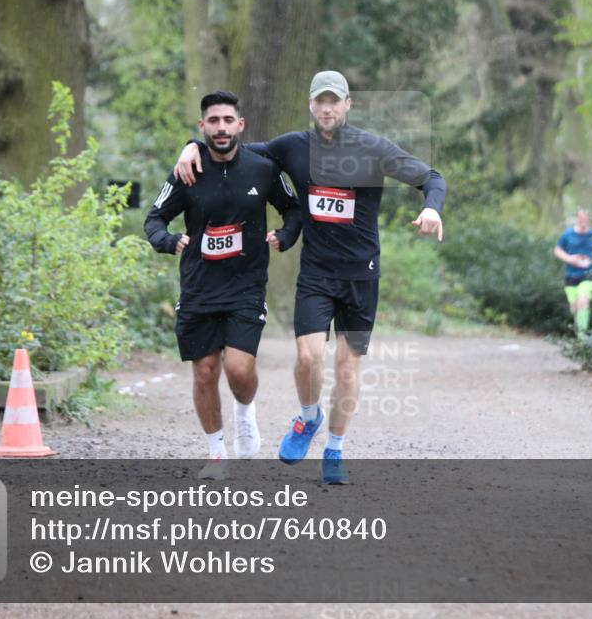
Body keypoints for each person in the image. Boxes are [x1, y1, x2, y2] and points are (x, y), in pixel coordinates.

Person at [174, 71, 446, 484]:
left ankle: (334, 451)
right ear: (310, 105)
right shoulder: (292, 147)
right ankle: (307, 418)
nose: (327, 108)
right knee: (307, 358)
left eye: (335, 101)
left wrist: (432, 207)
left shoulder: (372, 149)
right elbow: (232, 150)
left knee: (347, 368)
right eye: (321, 101)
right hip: (316, 272)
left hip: (361, 276)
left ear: (348, 105)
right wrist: (191, 145)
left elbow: (431, 177)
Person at [145, 91, 301, 480]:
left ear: (240, 125)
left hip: (246, 284)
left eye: (227, 120)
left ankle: (245, 413)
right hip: (199, 287)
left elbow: (293, 208)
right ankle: (216, 453)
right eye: (213, 121)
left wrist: (286, 234)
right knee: (204, 371)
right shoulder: (187, 171)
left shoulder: (262, 168)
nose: (221, 128)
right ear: (202, 127)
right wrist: (168, 241)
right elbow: (154, 219)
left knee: (238, 369)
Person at [553, 208, 592, 337]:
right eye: (581, 218)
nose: (583, 221)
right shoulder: (567, 235)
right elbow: (557, 250)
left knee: (583, 298)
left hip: (589, 274)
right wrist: (570, 259)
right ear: (577, 218)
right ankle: (580, 332)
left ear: (589, 219)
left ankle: (582, 337)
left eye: (586, 218)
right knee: (574, 307)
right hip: (571, 275)